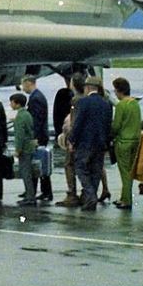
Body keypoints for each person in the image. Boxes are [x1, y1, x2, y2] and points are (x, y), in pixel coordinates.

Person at [70, 76, 113, 211]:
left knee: (81, 169)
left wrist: (72, 140)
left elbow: (78, 123)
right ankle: (91, 198)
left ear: (87, 87)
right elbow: (108, 125)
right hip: (100, 143)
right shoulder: (106, 104)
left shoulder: (83, 102)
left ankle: (90, 195)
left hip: (84, 143)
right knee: (96, 171)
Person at [55, 73, 88, 208]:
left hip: (75, 140)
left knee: (69, 165)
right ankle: (86, 193)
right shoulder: (87, 99)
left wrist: (70, 140)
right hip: (86, 140)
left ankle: (72, 194)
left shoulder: (75, 100)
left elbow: (74, 123)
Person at [110, 77, 142, 210]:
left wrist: (110, 135)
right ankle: (124, 196)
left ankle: (127, 200)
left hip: (123, 142)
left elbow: (116, 126)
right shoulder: (135, 103)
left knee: (125, 173)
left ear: (119, 91)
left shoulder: (121, 105)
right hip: (136, 140)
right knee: (130, 170)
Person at [21, 75, 53, 200]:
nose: (23, 88)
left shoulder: (35, 98)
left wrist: (35, 137)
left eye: (23, 85)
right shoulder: (37, 96)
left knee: (38, 164)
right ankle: (34, 190)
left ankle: (42, 192)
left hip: (38, 136)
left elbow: (37, 121)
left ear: (29, 83)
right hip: (40, 135)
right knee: (38, 163)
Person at [10, 93, 38, 206]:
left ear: (17, 103)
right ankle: (30, 195)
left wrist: (17, 149)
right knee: (28, 172)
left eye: (11, 102)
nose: (10, 104)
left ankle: (30, 197)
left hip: (24, 148)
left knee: (25, 173)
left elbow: (20, 135)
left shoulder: (20, 117)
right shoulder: (26, 114)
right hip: (29, 147)